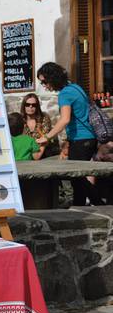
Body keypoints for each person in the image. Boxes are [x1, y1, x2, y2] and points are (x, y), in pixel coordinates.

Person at [36, 62, 103, 205]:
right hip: (89, 138)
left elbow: (65, 119)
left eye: (44, 81)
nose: (44, 85)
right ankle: (82, 206)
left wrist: (46, 137)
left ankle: (98, 204)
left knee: (77, 177)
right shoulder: (75, 87)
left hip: (81, 139)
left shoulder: (65, 94)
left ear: (52, 78)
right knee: (78, 177)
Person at [20, 92, 57, 157]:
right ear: (24, 106)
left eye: (34, 105)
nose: (30, 106)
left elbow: (44, 137)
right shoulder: (20, 120)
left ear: (37, 106)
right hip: (24, 154)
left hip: (43, 154)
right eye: (27, 104)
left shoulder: (44, 118)